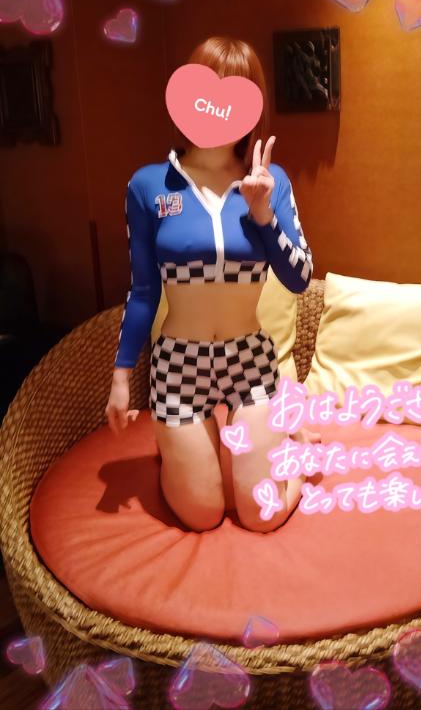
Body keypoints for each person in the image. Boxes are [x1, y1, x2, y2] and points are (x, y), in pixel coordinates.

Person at [105, 36, 319, 534]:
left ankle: (292, 452)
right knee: (203, 514)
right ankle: (181, 452)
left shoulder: (271, 180)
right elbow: (143, 291)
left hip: (250, 360)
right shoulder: (149, 185)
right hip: (179, 363)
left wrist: (263, 214)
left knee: (261, 515)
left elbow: (300, 277)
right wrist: (121, 375)